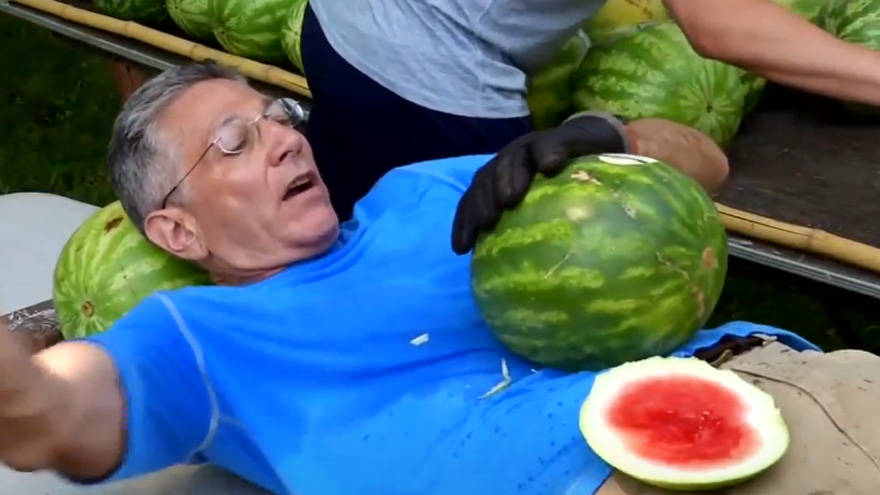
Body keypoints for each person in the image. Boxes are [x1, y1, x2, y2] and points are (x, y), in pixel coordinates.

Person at [0, 62, 876, 495]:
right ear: (175, 227)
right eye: (234, 142)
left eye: (279, 116)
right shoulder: (196, 337)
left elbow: (707, 163)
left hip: (769, 390)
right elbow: (56, 411)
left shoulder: (427, 194)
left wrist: (601, 136)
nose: (284, 138)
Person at [302, 0, 880, 218]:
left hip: (337, 24)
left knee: (352, 228)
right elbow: (719, 24)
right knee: (455, 292)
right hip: (429, 76)